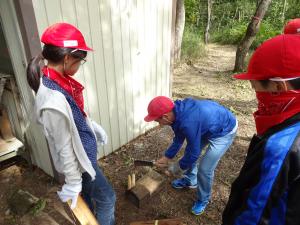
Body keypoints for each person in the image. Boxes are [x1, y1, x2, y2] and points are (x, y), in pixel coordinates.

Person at [26, 23, 116, 225]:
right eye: (80, 60)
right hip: (79, 165)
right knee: (108, 199)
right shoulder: (51, 100)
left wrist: (91, 125)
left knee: (88, 204)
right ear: (67, 58)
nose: (80, 65)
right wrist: (74, 182)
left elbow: (73, 116)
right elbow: (63, 145)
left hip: (83, 158)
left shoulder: (59, 81)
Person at [222, 34, 300, 224]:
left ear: (278, 86)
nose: (257, 97)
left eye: (255, 87)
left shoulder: (280, 148)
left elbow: (253, 216)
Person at [144, 96, 238, 215]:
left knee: (205, 169)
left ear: (165, 117)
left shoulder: (188, 122)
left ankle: (203, 200)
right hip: (205, 125)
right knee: (190, 151)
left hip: (224, 130)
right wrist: (167, 157)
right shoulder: (176, 114)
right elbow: (179, 139)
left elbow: (194, 154)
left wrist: (175, 168)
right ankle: (191, 180)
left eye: (158, 121)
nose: (159, 124)